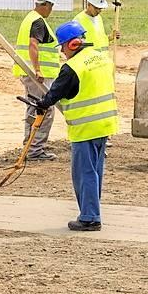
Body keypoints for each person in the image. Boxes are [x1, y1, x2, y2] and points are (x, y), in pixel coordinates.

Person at [32, 19, 117, 231]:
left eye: (62, 47)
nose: (61, 52)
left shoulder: (72, 67)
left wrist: (41, 104)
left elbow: (55, 93)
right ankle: (92, 209)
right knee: (95, 171)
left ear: (72, 44)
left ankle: (89, 217)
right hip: (105, 124)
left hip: (86, 127)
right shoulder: (101, 58)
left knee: (84, 173)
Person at [12, 0, 60, 160]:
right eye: (51, 6)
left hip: (31, 72)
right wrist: (38, 69)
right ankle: (34, 150)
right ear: (46, 5)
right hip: (38, 74)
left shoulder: (29, 18)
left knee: (35, 107)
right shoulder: (38, 21)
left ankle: (30, 146)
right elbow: (33, 45)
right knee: (44, 109)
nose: (51, 10)